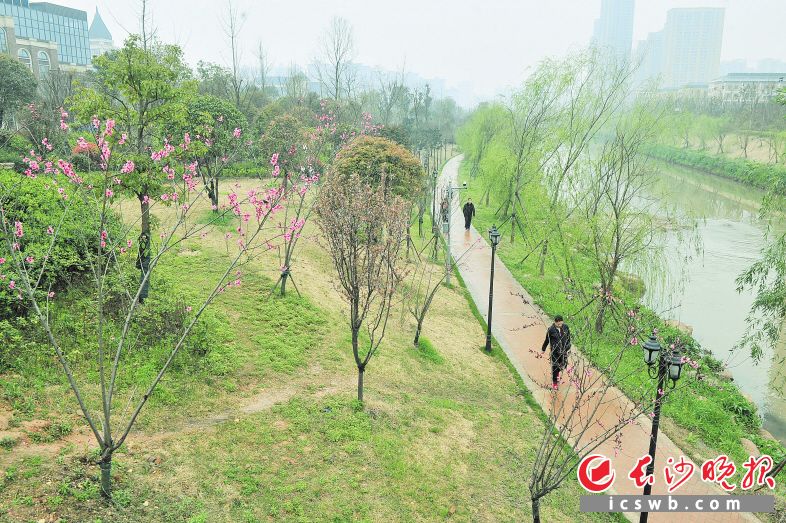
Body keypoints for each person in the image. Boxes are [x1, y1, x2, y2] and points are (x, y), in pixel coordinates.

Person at [541, 315, 571, 390]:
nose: (560, 325)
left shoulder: (565, 327)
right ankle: (554, 383)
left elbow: (568, 338)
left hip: (563, 351)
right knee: (555, 366)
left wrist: (568, 347)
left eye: (561, 324)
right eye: (558, 324)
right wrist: (543, 349)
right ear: (555, 322)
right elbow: (547, 340)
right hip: (555, 352)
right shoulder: (551, 330)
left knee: (562, 365)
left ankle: (558, 373)